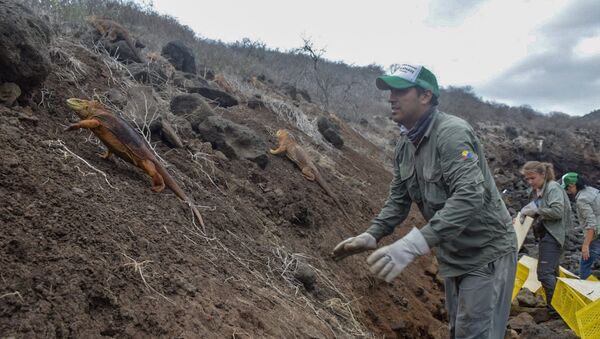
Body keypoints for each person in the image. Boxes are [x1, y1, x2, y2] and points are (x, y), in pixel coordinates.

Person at [332, 64, 517, 339]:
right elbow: (398, 199)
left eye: (400, 91)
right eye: (390, 91)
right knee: (461, 332)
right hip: (454, 255)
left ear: (425, 96)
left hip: (486, 252)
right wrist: (373, 234)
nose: (391, 98)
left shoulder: (452, 134)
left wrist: (412, 244)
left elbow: (469, 196)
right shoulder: (405, 145)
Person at [519, 161, 571, 308]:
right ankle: (561, 309)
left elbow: (557, 212)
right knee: (552, 273)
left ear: (543, 174)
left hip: (554, 234)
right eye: (527, 179)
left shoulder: (553, 188)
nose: (529, 182)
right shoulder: (538, 190)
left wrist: (537, 210)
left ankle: (555, 310)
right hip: (546, 234)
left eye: (532, 178)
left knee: (544, 274)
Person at [561, 172, 599, 279]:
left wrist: (585, 245)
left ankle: (585, 288)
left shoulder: (581, 199)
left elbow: (592, 224)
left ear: (572, 185)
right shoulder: (592, 190)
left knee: (585, 261)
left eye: (567, 188)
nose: (567, 192)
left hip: (597, 232)